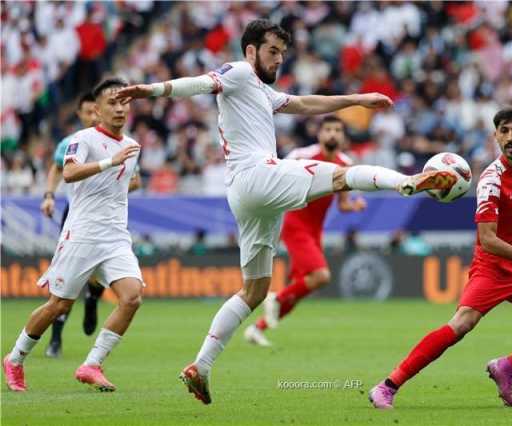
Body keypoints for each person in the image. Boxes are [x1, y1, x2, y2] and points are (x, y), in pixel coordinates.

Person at [117, 19, 456, 405]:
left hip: (248, 194)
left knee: (255, 290)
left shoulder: (261, 90)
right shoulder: (241, 72)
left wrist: (358, 99)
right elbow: (201, 82)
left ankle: (201, 366)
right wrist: (152, 90)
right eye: (272, 51)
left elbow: (304, 103)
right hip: (257, 174)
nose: (278, 59)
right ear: (251, 51)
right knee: (343, 175)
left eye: (282, 53)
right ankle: (406, 183)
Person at [368, 108, 512, 409]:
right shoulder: (491, 180)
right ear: (495, 136)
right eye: (504, 131)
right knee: (461, 325)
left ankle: (507, 366)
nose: (510, 137)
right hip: (494, 268)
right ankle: (387, 386)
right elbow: (488, 241)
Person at [3, 78, 144, 393]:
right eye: (112, 102)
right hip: (81, 234)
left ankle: (91, 364)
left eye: (125, 102)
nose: (120, 108)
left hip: (115, 236)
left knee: (132, 297)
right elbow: (68, 172)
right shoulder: (82, 139)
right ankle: (14, 359)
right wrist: (110, 162)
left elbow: (128, 182)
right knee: (58, 306)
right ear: (97, 109)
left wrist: (125, 174)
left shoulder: (133, 146)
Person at [244, 116, 367, 347]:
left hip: (315, 230)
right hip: (294, 222)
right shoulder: (302, 156)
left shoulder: (345, 163)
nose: (333, 134)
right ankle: (275, 298)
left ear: (343, 136)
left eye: (337, 130)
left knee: (300, 287)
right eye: (328, 129)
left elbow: (342, 203)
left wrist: (354, 206)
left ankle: (257, 329)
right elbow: (275, 179)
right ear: (319, 134)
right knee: (321, 276)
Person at [39, 92, 106, 358]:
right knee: (64, 279)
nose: (92, 117)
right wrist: (48, 195)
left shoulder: (114, 143)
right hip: (75, 215)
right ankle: (55, 340)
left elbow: (135, 181)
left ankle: (92, 300)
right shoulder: (70, 142)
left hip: (105, 216)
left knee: (99, 274)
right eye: (87, 112)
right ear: (79, 114)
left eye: (95, 111)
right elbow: (58, 168)